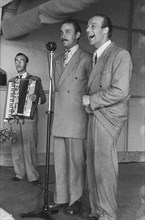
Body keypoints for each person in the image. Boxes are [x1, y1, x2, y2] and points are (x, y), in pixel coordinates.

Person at [81, 14, 132, 220]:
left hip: (108, 119)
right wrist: (90, 105)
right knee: (93, 168)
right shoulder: (97, 56)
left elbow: (120, 90)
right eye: (86, 26)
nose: (87, 30)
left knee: (104, 169)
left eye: (92, 25)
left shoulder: (120, 54)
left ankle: (108, 215)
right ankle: (97, 211)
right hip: (95, 115)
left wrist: (90, 100)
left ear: (105, 30)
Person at [49, 19, 92, 215]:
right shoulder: (55, 59)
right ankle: (61, 197)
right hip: (59, 117)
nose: (63, 35)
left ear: (77, 35)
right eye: (61, 31)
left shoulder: (87, 58)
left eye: (67, 31)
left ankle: (75, 200)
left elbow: (93, 88)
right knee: (60, 161)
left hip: (77, 117)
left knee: (76, 162)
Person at [3, 53, 46, 185]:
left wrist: (36, 99)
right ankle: (19, 173)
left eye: (21, 61)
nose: (18, 63)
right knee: (16, 148)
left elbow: (43, 98)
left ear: (27, 63)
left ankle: (33, 176)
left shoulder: (35, 80)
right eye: (16, 61)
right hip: (14, 120)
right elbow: (8, 102)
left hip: (29, 119)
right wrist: (5, 120)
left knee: (30, 148)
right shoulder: (11, 81)